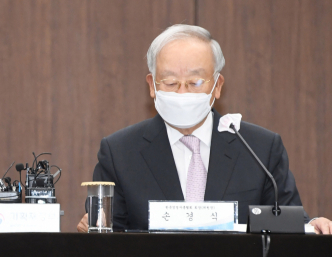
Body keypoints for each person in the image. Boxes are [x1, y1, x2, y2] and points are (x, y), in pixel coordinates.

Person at [77, 24, 332, 234]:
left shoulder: (260, 149)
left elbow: (286, 225)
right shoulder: (119, 153)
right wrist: (95, 229)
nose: (182, 92)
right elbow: (109, 238)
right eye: (170, 82)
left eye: (195, 82)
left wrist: (311, 227)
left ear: (217, 85)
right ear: (152, 85)